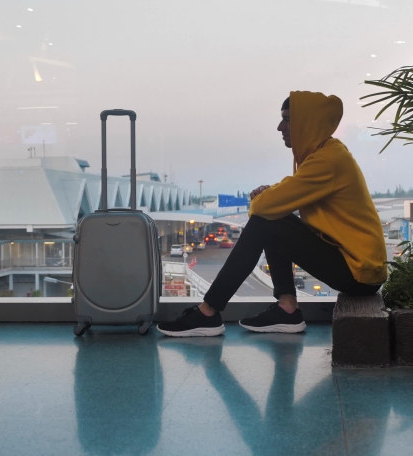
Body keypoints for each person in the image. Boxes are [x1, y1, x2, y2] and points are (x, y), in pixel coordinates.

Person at [157, 91, 387, 337]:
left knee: (264, 221)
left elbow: (262, 208)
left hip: (358, 272)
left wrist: (264, 199)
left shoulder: (327, 161)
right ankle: (287, 309)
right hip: (359, 268)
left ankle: (208, 311)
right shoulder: (328, 154)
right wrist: (270, 195)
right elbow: (288, 190)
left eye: (287, 120)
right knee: (273, 219)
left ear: (306, 123)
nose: (280, 127)